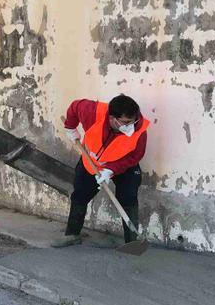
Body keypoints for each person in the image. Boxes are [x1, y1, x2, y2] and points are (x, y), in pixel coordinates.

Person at [52, 94, 151, 247]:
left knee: (128, 197)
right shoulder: (93, 112)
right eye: (125, 122)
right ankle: (72, 235)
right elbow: (74, 106)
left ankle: (132, 243)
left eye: (133, 121)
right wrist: (71, 127)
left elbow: (135, 156)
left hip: (124, 166)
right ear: (112, 118)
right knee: (80, 195)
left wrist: (111, 170)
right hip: (91, 162)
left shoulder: (138, 131)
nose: (130, 126)